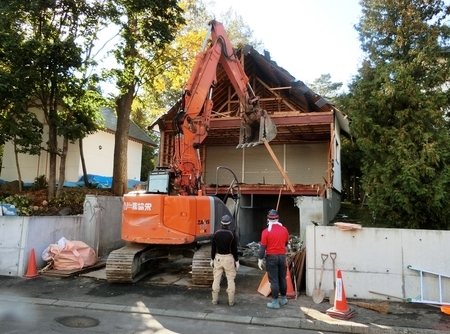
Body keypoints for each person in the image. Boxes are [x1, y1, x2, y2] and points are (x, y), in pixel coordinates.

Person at [258, 209, 290, 309]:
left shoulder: (265, 232)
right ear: (278, 218)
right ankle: (284, 299)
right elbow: (286, 243)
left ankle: (275, 302)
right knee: (282, 279)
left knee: (274, 281)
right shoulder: (284, 229)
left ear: (268, 219)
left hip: (271, 258)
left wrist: (260, 258)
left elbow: (262, 247)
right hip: (282, 257)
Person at [210, 214, 239, 306]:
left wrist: (212, 259)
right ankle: (231, 301)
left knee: (216, 279)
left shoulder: (216, 233)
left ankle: (214, 300)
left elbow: (213, 248)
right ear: (229, 223)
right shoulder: (232, 234)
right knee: (230, 280)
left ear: (221, 223)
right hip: (228, 259)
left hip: (218, 258)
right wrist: (237, 261)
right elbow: (234, 249)